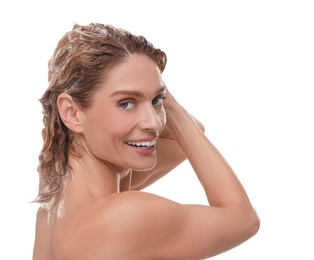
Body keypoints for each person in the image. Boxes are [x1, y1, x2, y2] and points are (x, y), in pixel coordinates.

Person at [33, 23, 259, 260]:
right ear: (71, 113)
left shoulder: (51, 208)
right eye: (126, 103)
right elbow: (243, 219)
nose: (153, 122)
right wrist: (166, 99)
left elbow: (188, 136)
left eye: (156, 101)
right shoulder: (121, 218)